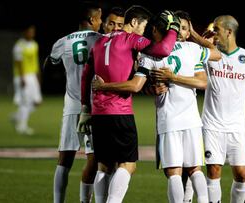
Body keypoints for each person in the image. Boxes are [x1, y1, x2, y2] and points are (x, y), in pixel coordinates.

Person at [90, 10, 221, 203]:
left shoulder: (150, 56)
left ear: (155, 30)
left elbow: (137, 85)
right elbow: (215, 55)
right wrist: (193, 34)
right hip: (192, 119)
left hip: (168, 120)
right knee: (195, 169)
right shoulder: (193, 50)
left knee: (174, 172)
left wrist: (165, 81)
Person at [79, 7, 179, 203]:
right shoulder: (131, 39)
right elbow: (163, 50)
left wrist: (85, 108)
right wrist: (173, 29)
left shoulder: (99, 42)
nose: (143, 32)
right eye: (143, 26)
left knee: (105, 165)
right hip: (120, 112)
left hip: (98, 114)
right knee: (128, 165)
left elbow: (86, 77)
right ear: (134, 23)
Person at [201, 15, 245, 203]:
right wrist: (203, 43)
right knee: (213, 171)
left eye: (217, 29)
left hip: (237, 127)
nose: (213, 33)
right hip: (212, 125)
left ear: (229, 32)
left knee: (241, 174)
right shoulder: (209, 55)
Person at [43, 2, 102, 203]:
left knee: (64, 160)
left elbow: (49, 64)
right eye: (100, 19)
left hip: (71, 105)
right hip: (93, 106)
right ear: (92, 19)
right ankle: (85, 201)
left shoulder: (62, 42)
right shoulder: (100, 40)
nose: (101, 23)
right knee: (93, 159)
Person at [11, 24, 42, 135]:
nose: (32, 33)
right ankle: (22, 126)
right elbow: (18, 63)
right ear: (25, 32)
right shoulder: (19, 46)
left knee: (37, 102)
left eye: (33, 31)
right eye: (30, 31)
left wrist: (38, 76)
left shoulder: (34, 44)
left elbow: (35, 62)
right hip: (22, 76)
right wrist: (22, 77)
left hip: (32, 76)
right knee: (25, 102)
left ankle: (16, 117)